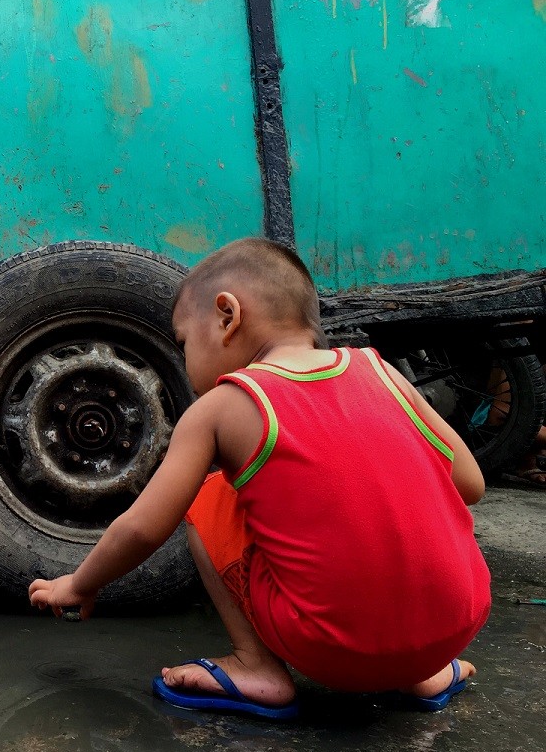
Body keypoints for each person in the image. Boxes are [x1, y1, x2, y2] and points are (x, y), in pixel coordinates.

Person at [28, 238, 492, 719]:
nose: (186, 367)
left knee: (209, 497)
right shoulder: (381, 372)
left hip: (333, 651)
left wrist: (79, 585)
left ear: (227, 316)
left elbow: (144, 527)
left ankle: (256, 666)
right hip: (456, 626)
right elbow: (471, 484)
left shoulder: (224, 406)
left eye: (185, 343)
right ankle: (423, 673)